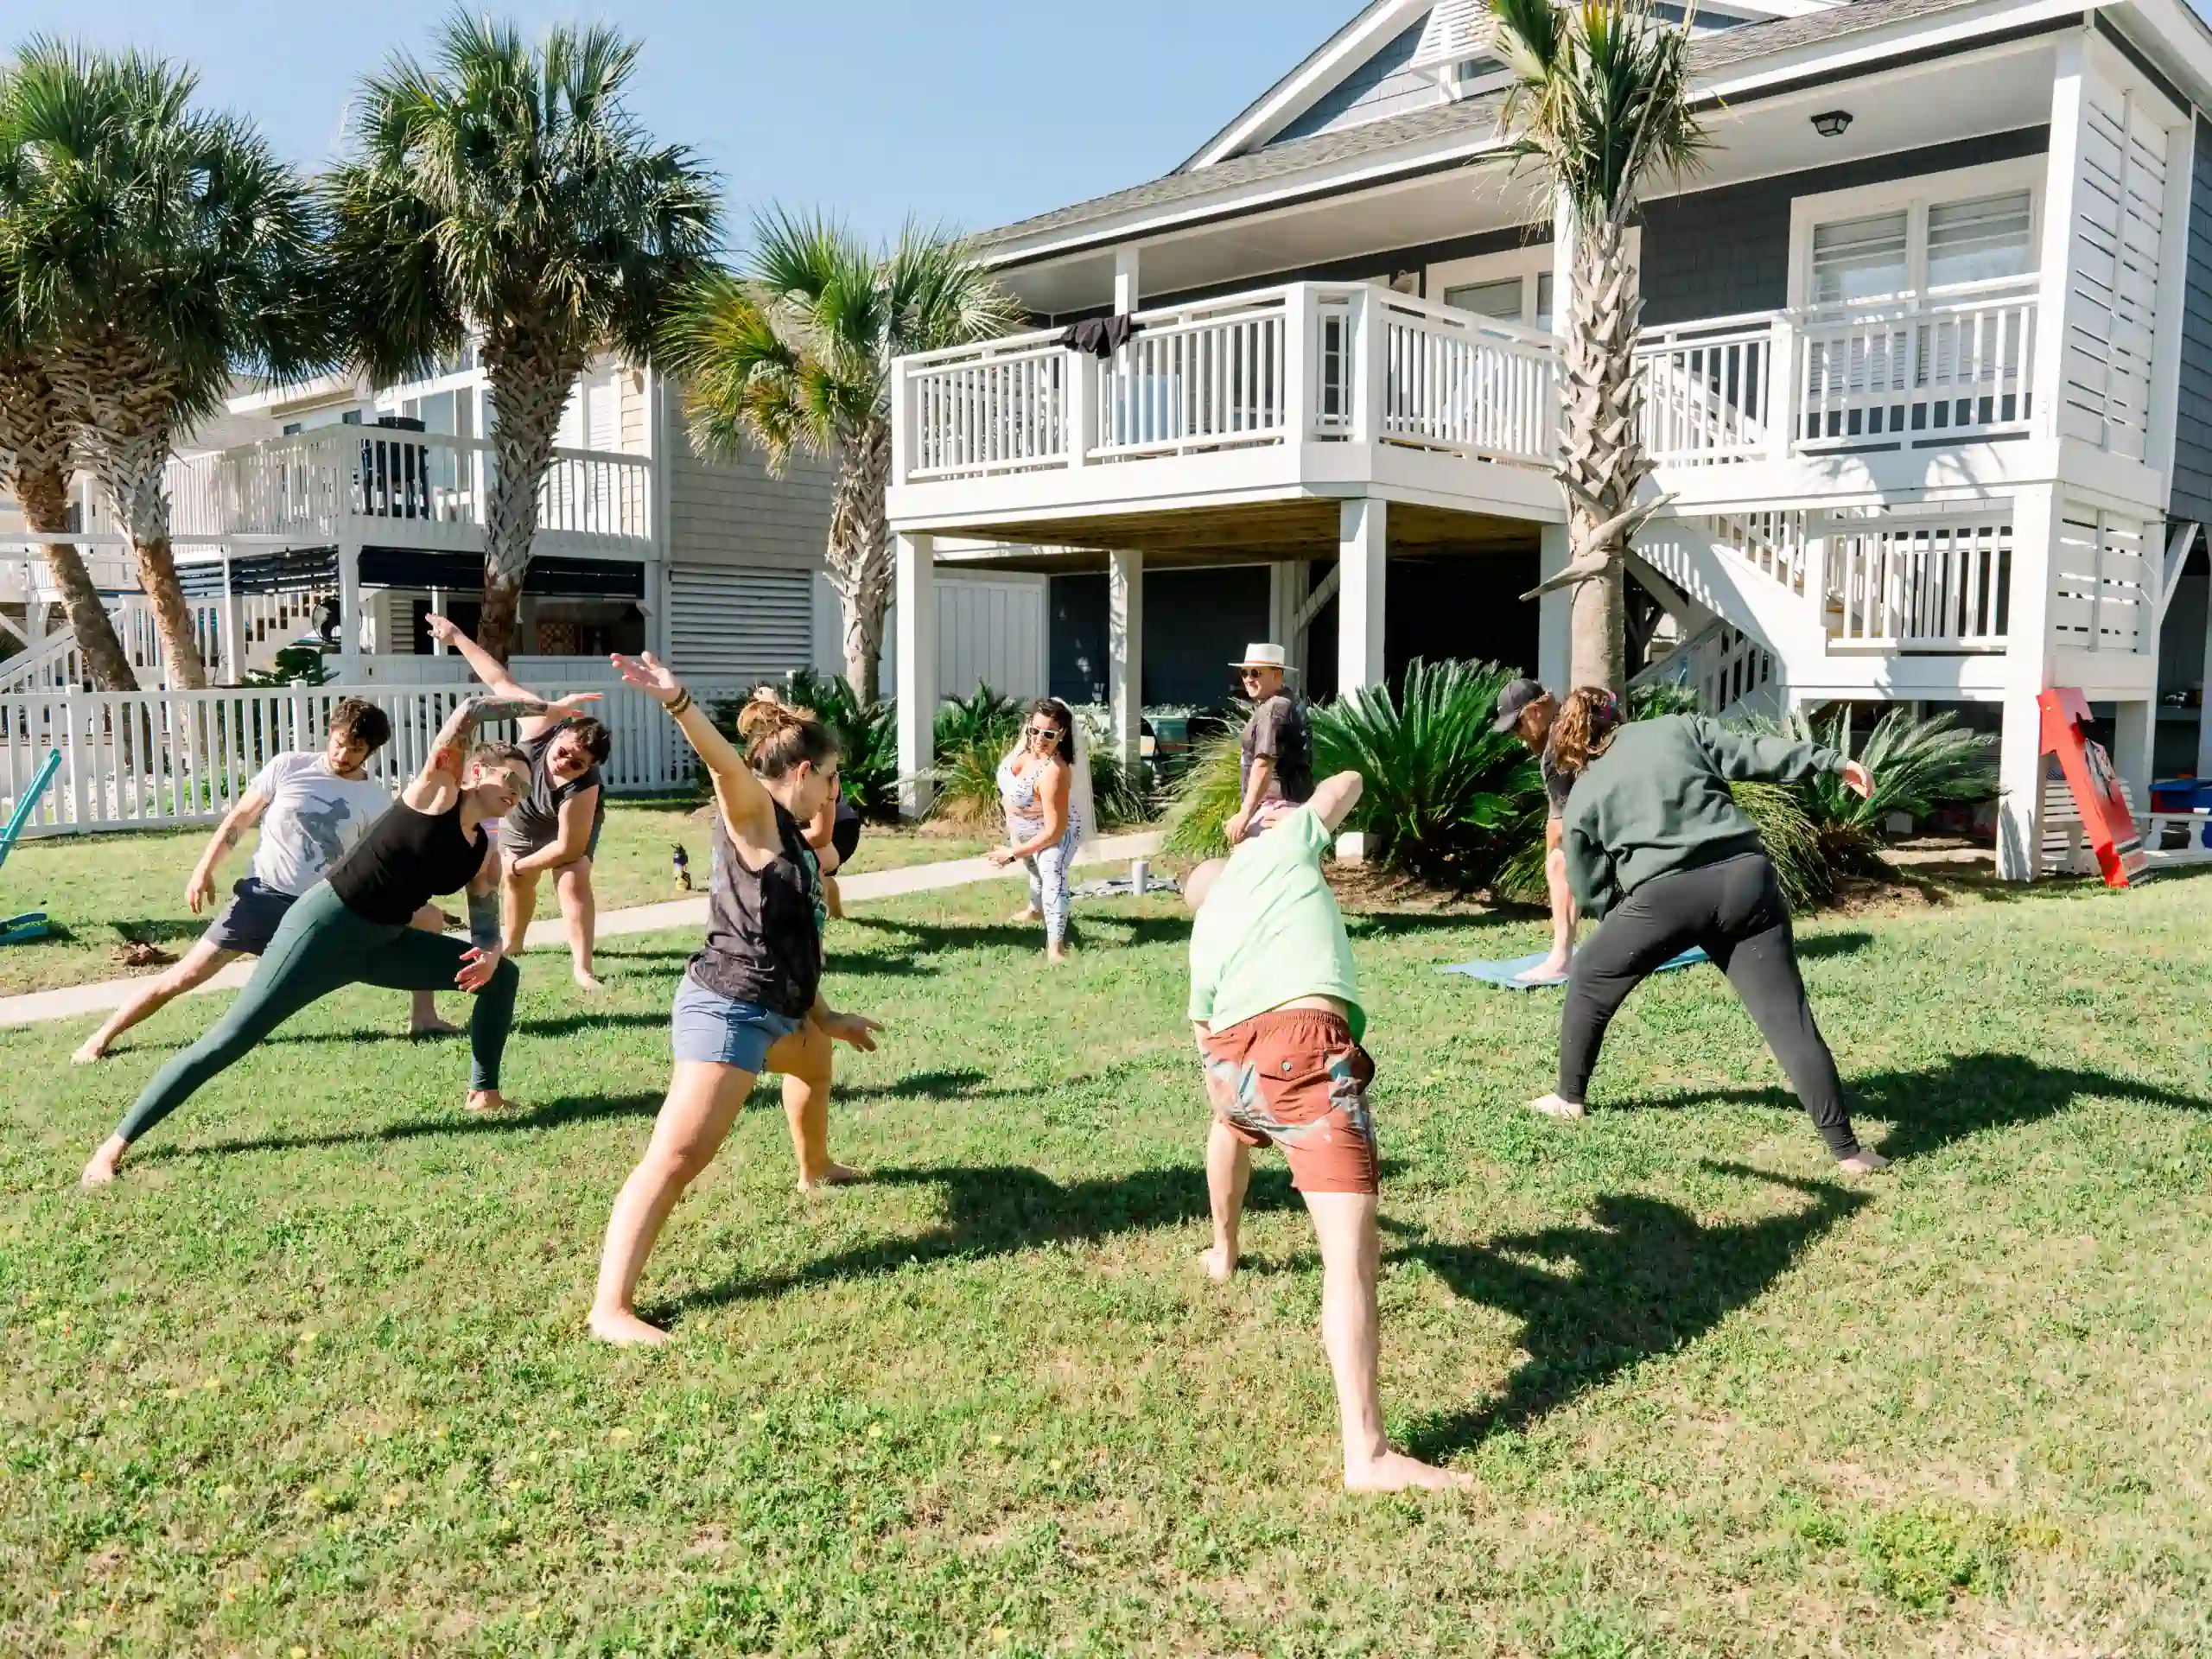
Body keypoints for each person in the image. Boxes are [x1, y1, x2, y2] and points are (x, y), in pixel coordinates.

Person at [77, 689, 599, 1188]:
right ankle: (114, 1145)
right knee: (231, 1038)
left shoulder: (482, 853)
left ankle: (484, 1093)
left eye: (526, 789)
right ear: (476, 771)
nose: (516, 792)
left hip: (383, 944)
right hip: (323, 929)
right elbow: (472, 710)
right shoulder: (435, 792)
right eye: (510, 777)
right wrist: (548, 709)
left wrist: (486, 955)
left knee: (503, 976)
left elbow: (486, 925)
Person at [1185, 768, 1473, 1494]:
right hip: (1302, 1051)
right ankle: (1368, 1455)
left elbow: (1205, 1045)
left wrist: (1238, 1093)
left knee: (1229, 1122)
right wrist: (1282, 818)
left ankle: (1224, 1252)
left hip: (1234, 1071)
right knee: (1349, 1256)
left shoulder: (1204, 935)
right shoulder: (1274, 850)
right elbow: (1345, 785)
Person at [589, 661, 884, 1347]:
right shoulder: (756, 816)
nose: (837, 796)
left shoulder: (799, 843)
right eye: (833, 779)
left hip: (777, 1008)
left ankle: (815, 1169)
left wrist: (826, 1015)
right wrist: (678, 701)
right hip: (730, 1009)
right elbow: (726, 770)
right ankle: (610, 1308)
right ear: (806, 772)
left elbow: (794, 938)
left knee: (813, 1063)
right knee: (675, 1157)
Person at [1524, 689, 1889, 1174]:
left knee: (1589, 972)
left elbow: (1587, 882)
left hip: (1665, 898)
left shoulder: (1584, 789)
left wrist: (1622, 915)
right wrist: (1832, 762)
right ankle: (1848, 1151)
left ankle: (1569, 1099)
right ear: (1618, 715)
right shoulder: (1679, 728)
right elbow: (1752, 751)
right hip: (1747, 881)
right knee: (1788, 1019)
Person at [73, 699, 458, 1064]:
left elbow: (380, 861)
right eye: (340, 743)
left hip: (324, 909)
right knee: (186, 974)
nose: (343, 755)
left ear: (370, 752)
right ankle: (102, 1036)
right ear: (331, 732)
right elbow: (239, 819)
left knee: (429, 918)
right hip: (262, 898)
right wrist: (204, 869)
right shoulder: (288, 767)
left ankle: (423, 1017)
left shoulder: (374, 800)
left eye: (355, 751)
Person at [424, 613, 612, 989]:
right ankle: (514, 944)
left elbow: (568, 845)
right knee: (516, 883)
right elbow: (497, 679)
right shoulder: (540, 723)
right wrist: (457, 636)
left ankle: (583, 969)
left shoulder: (583, 787)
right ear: (560, 734)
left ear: (590, 766)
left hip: (564, 828)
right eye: (563, 753)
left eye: (578, 764)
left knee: (572, 881)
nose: (564, 764)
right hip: (521, 817)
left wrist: (523, 863)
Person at [987, 697, 1089, 963]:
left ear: (1062, 735)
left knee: (1051, 872)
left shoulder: (1055, 771)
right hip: (1023, 828)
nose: (1039, 739)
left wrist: (1013, 853)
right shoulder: (1025, 746)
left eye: (1049, 734)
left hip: (1055, 832)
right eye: (1034, 730)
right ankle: (1036, 910)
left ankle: (1056, 946)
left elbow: (1055, 831)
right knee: (1034, 870)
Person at [1493, 677, 1580, 985]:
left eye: (1517, 726)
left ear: (1534, 712)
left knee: (1559, 861)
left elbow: (1559, 825)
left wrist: (1548, 858)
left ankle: (1561, 958)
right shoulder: (1578, 723)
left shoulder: (1557, 749)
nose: (1518, 736)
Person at [1226, 643, 1313, 845]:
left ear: (1277, 675)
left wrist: (1244, 815)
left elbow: (1264, 762)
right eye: (1244, 672)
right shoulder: (1288, 701)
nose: (1248, 678)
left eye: (1256, 672)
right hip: (1289, 808)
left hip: (1274, 810)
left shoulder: (1274, 709)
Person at [805, 792, 863, 920]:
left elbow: (820, 833)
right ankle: (835, 913)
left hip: (842, 826)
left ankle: (816, 916)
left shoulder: (819, 779)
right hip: (837, 824)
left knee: (813, 865)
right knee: (819, 869)